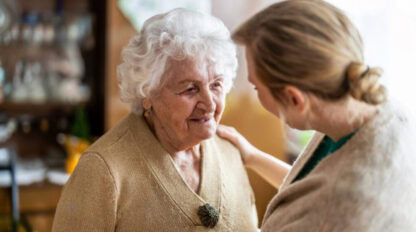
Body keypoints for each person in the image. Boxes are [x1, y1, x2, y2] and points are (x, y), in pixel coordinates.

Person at [52, 9, 259, 232]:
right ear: (148, 94)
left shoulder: (230, 152)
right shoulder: (101, 170)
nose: (210, 104)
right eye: (190, 89)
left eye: (216, 85)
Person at [217, 0, 416, 231]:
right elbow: (310, 191)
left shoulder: (347, 209)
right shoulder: (378, 110)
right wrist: (252, 156)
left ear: (294, 99)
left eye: (256, 88)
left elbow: (325, 204)